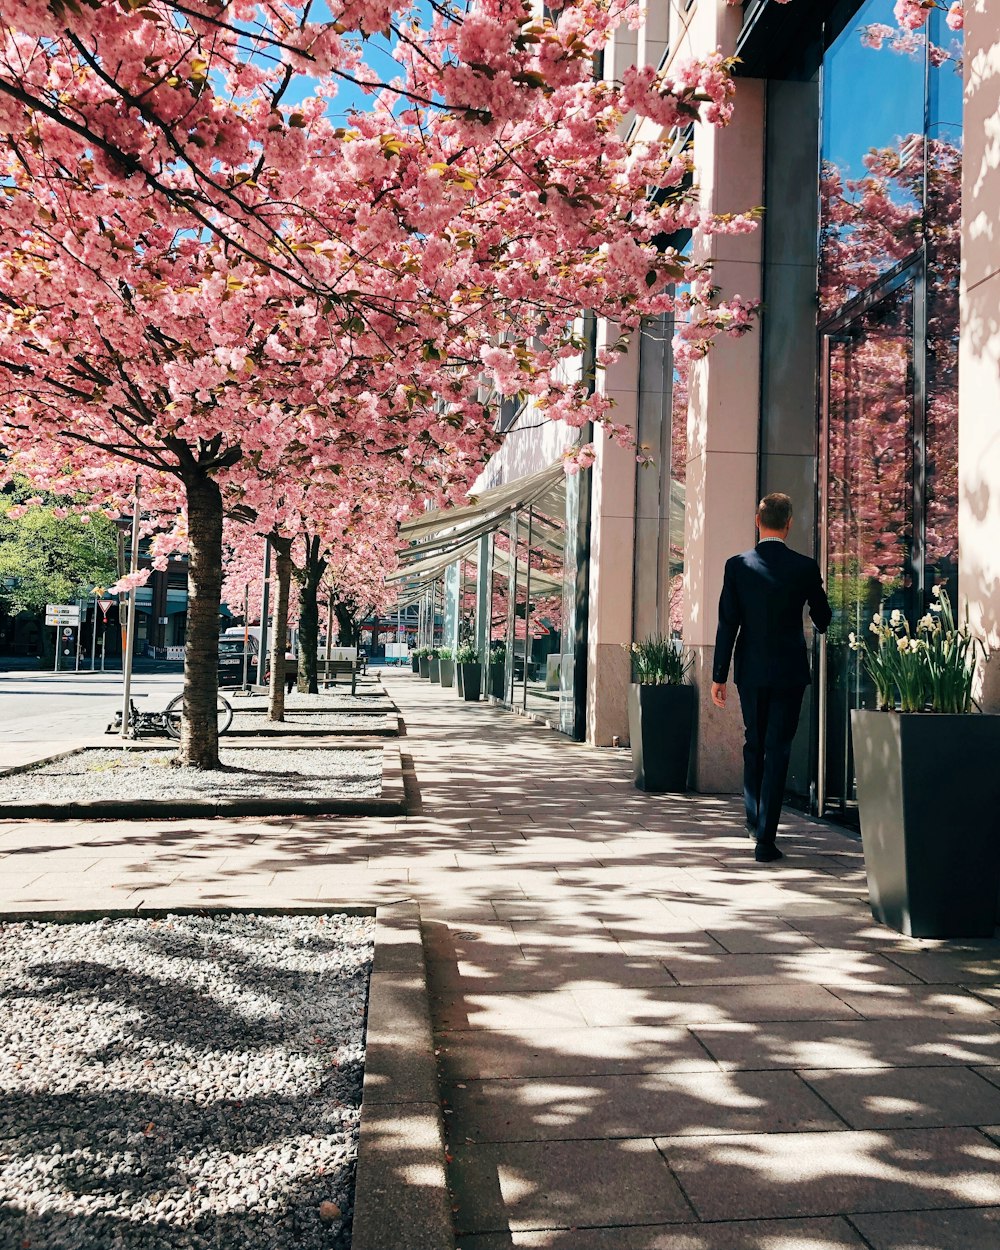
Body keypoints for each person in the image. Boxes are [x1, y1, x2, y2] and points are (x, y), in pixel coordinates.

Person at [711, 493, 832, 862]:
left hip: (750, 669)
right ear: (789, 523)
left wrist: (719, 675)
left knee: (755, 742)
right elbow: (823, 616)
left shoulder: (737, 565)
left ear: (757, 520)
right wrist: (818, 614)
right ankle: (766, 838)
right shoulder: (805, 567)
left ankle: (753, 818)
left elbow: (727, 623)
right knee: (778, 748)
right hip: (790, 670)